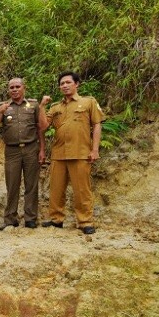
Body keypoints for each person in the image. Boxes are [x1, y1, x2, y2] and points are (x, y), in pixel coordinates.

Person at [43, 71, 104, 234]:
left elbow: (97, 125)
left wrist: (95, 149)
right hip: (59, 153)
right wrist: (42, 106)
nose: (64, 85)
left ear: (76, 84)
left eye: (68, 82)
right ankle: (56, 219)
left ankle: (85, 222)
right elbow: (42, 126)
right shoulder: (55, 107)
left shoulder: (88, 102)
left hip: (80, 152)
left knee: (82, 190)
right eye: (61, 83)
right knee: (56, 189)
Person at [0, 78, 49, 229]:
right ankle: (10, 218)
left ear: (24, 88)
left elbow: (41, 128)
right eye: (11, 87)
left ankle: (30, 218)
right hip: (12, 151)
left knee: (31, 185)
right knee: (12, 185)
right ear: (8, 90)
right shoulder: (3, 106)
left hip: (31, 148)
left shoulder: (33, 105)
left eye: (17, 86)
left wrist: (42, 150)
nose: (14, 89)